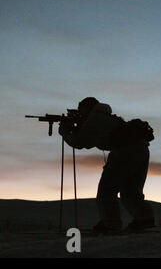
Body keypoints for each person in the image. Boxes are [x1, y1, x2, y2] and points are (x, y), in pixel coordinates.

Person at [59, 97, 155, 234]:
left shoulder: (95, 119)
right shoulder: (107, 116)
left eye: (81, 109)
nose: (80, 112)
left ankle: (111, 224)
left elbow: (79, 142)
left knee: (107, 191)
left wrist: (65, 132)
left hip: (123, 152)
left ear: (88, 108)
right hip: (141, 150)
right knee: (130, 191)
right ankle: (145, 219)